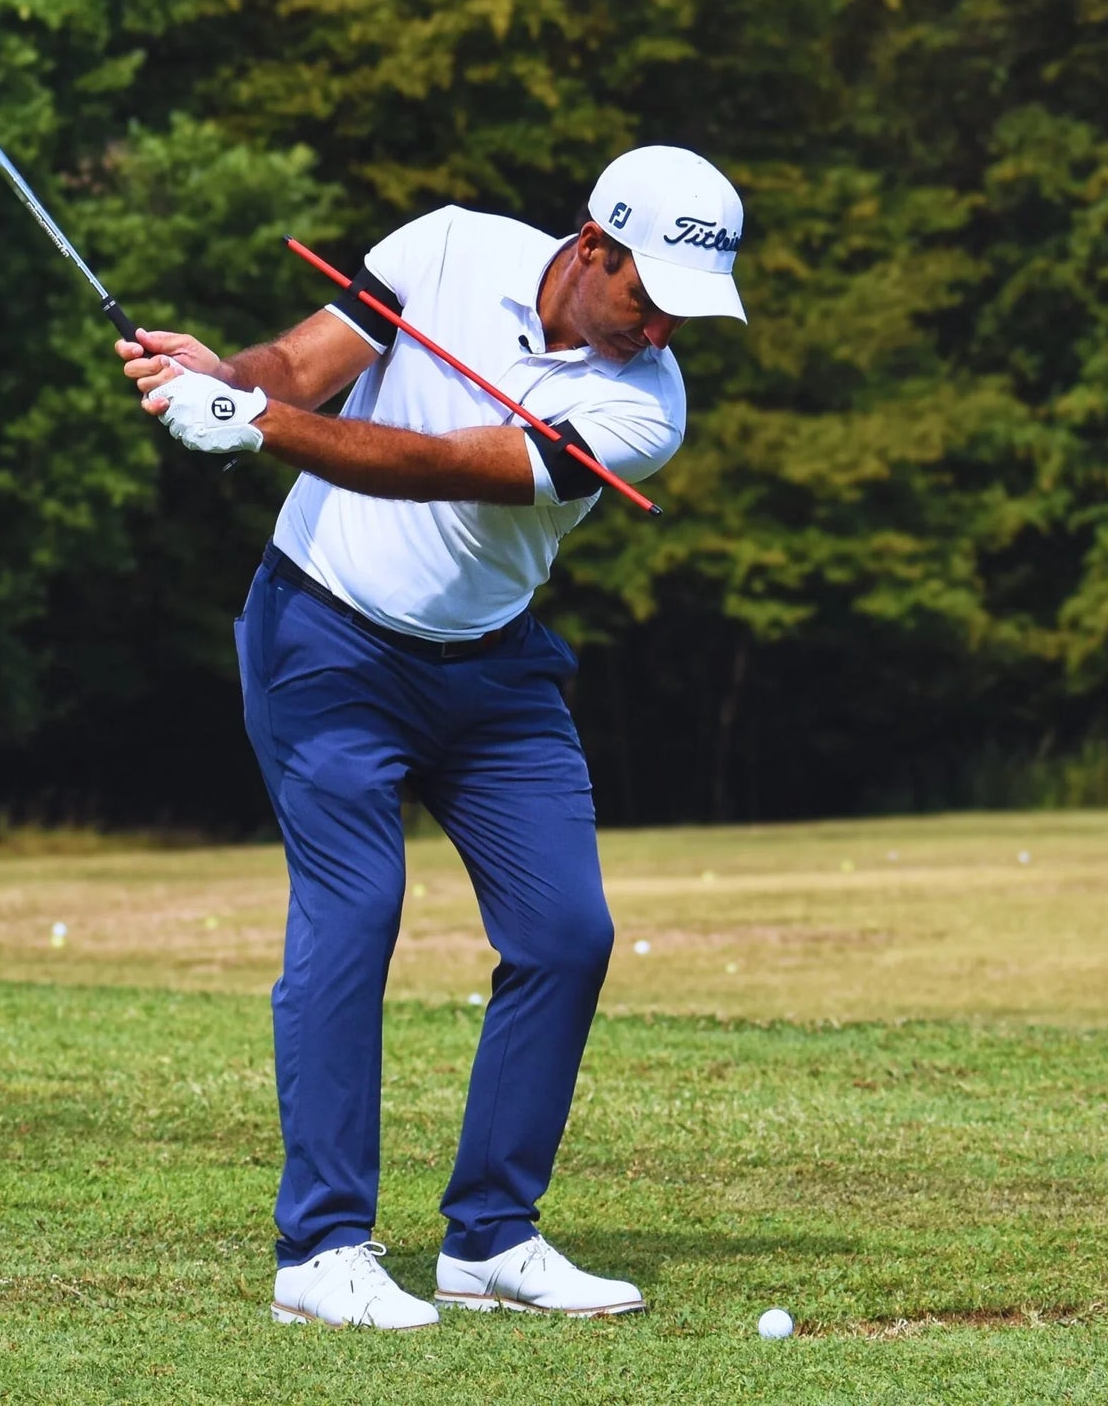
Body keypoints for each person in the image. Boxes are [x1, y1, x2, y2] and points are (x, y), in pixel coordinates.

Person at [116, 145, 747, 1329]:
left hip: (493, 669)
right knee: (353, 913)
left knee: (567, 931)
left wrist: (252, 425)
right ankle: (320, 1251)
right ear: (593, 243)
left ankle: (491, 1238)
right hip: (325, 639)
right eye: (647, 294)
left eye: (683, 311)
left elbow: (443, 470)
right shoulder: (447, 243)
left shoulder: (643, 407)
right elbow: (302, 364)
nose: (663, 329)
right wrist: (224, 380)